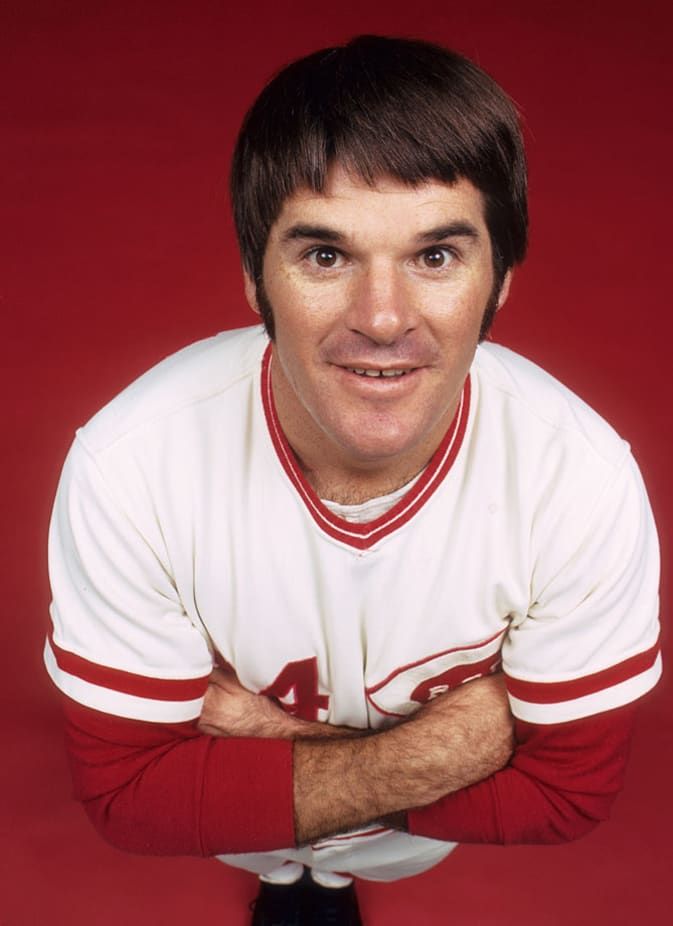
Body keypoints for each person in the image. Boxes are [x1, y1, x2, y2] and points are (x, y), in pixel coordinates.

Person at [45, 35, 661, 926]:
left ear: (500, 283)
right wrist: (462, 746)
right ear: (255, 278)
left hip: (397, 840)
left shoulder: (581, 477)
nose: (381, 318)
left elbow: (568, 799)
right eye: (325, 256)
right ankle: (293, 876)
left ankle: (328, 874)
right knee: (276, 865)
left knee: (322, 858)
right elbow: (130, 799)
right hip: (306, 825)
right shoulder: (131, 458)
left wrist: (260, 742)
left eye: (435, 257)